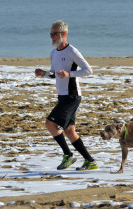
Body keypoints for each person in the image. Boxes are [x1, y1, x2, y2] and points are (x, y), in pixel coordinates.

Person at [35, 20, 98, 171]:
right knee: (69, 131)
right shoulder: (53, 53)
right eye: (50, 34)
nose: (52, 37)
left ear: (64, 34)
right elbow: (55, 75)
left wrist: (69, 74)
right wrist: (43, 74)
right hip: (62, 96)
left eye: (54, 34)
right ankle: (90, 161)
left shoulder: (72, 52)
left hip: (72, 95)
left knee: (50, 124)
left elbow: (88, 70)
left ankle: (68, 154)